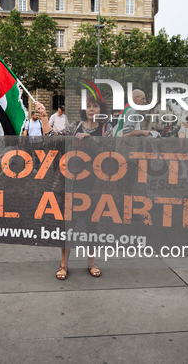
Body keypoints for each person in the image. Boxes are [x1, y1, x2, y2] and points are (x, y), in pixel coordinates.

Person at [39, 94, 113, 280]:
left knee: (91, 224)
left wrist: (92, 141)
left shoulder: (106, 129)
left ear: (101, 110)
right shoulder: (75, 127)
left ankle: (91, 263)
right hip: (71, 182)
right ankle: (64, 265)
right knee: (67, 225)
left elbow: (110, 154)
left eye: (95, 106)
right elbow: (51, 137)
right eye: (88, 105)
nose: (91, 109)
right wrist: (44, 117)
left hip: (95, 184)